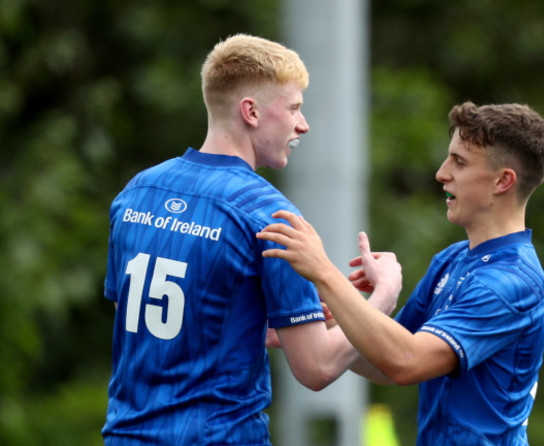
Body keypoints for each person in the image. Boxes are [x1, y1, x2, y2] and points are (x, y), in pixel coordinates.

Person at [101, 34, 400, 445]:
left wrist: (253, 329)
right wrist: (382, 297)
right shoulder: (269, 215)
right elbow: (316, 369)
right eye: (294, 107)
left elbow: (137, 318)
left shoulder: (137, 192)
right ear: (251, 112)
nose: (303, 124)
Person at [257, 101, 544, 445]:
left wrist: (324, 272)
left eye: (459, 161)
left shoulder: (511, 282)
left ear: (503, 181)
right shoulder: (452, 259)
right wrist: (316, 323)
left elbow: (405, 361)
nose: (442, 173)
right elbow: (384, 362)